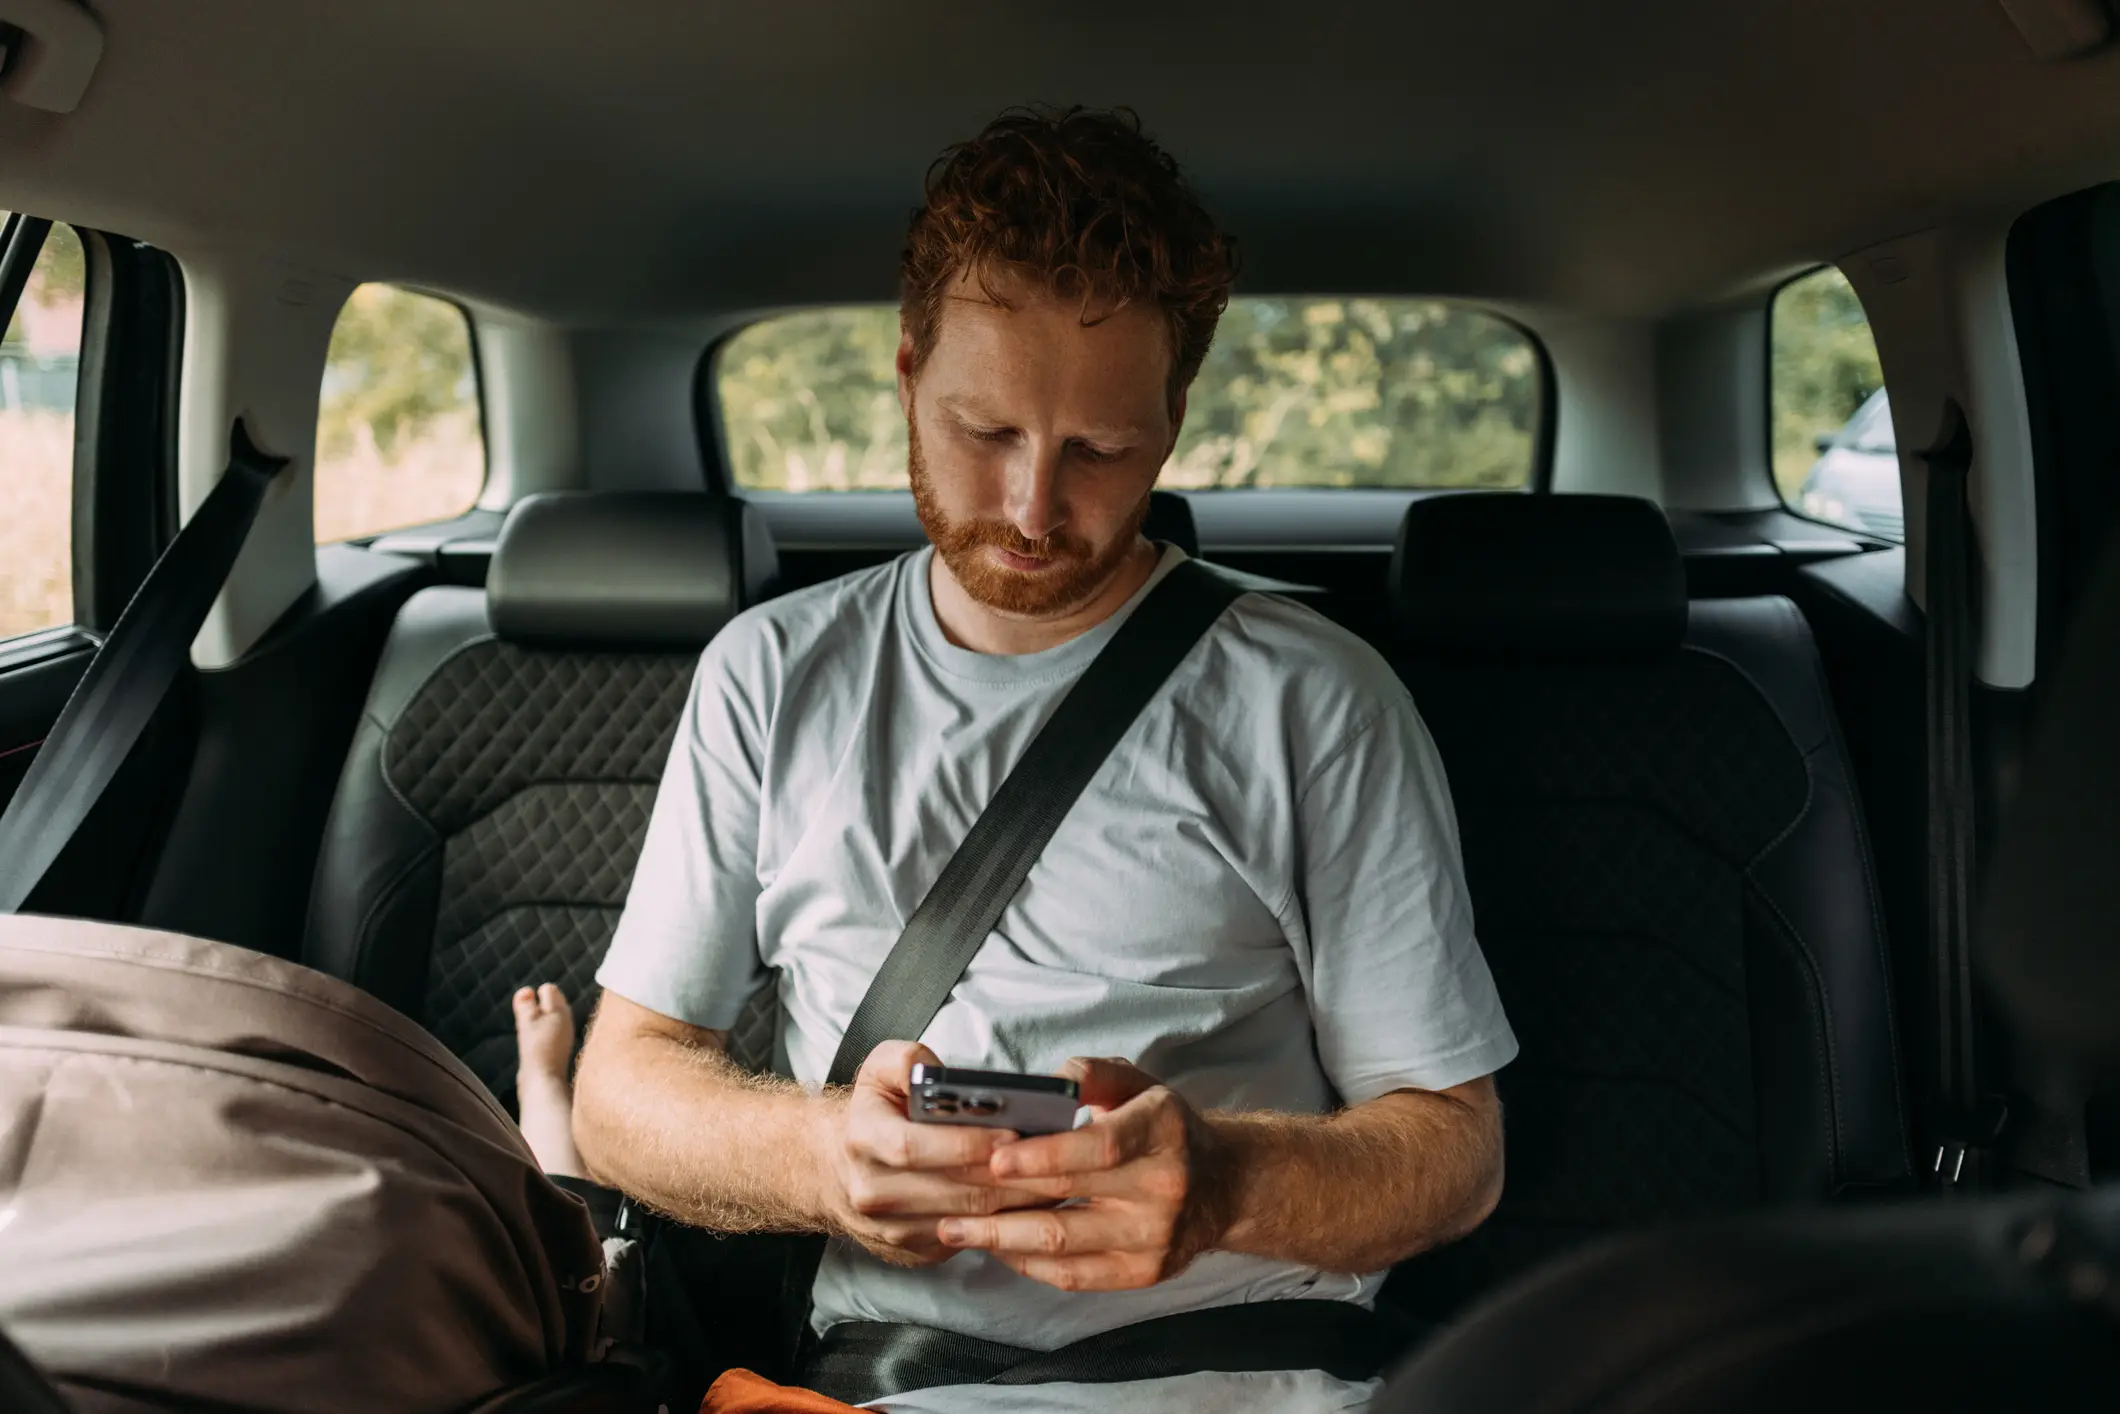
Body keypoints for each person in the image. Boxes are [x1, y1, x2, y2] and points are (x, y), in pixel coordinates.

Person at [570, 106, 1520, 1414]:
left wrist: (1224, 1183)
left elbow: (1454, 1152)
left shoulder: (1317, 698)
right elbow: (621, 1089)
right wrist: (820, 1154)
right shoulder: (770, 676)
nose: (1029, 507)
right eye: (984, 431)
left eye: (1098, 451)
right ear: (908, 374)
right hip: (892, 1383)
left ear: (1173, 420)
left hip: (1246, 1378)